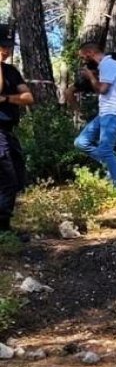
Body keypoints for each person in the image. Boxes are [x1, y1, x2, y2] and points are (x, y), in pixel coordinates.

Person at [74, 42, 116, 188]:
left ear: (90, 53)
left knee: (105, 150)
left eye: (83, 57)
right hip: (105, 113)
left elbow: (103, 89)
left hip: (114, 113)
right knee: (81, 142)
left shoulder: (108, 64)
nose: (83, 61)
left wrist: (91, 76)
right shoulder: (106, 66)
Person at [0, 24, 34, 234]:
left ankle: (4, 226)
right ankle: (2, 229)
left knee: (17, 178)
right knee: (6, 178)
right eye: (2, 45)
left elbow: (28, 97)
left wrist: (6, 99)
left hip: (8, 131)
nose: (7, 50)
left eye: (9, 46)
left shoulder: (12, 71)